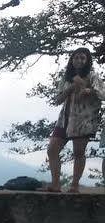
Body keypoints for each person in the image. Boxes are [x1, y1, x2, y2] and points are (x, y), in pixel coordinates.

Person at [44, 47, 104, 193]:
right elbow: (57, 100)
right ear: (72, 60)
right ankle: (56, 184)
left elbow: (102, 94)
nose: (79, 60)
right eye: (76, 58)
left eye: (82, 58)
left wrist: (89, 91)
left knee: (78, 152)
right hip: (64, 119)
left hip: (83, 119)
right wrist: (70, 88)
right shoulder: (66, 78)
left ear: (87, 60)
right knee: (52, 150)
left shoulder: (93, 77)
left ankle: (74, 185)